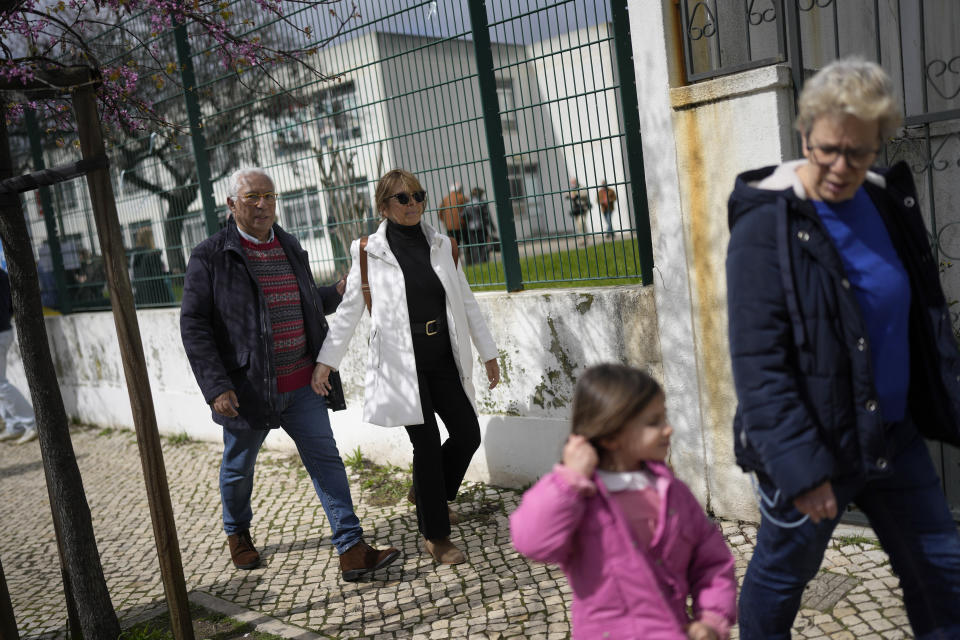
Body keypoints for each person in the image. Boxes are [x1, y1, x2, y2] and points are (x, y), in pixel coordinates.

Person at [726, 58, 960, 638]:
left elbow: (920, 317)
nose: (839, 167)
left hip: (893, 438)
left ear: (879, 143)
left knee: (944, 574)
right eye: (827, 148)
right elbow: (759, 366)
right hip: (812, 447)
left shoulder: (885, 204)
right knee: (784, 579)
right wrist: (803, 473)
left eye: (858, 153)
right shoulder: (767, 224)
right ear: (805, 133)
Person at [180, 167, 399, 581]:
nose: (263, 205)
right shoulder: (210, 255)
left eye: (269, 196)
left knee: (326, 461)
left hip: (301, 384)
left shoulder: (289, 244)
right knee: (239, 467)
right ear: (231, 204)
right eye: (252, 198)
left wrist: (336, 292)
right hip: (247, 390)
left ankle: (351, 547)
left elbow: (302, 303)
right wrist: (216, 386)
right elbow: (194, 326)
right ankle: (237, 531)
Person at [312, 168, 501, 565]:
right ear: (384, 206)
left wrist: (488, 352)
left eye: (418, 195)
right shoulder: (368, 251)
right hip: (402, 364)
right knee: (427, 446)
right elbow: (348, 313)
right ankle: (436, 535)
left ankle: (426, 493)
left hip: (444, 357)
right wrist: (326, 362)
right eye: (402, 198)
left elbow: (465, 302)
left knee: (467, 434)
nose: (413, 203)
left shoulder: (442, 245)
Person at [510, 364, 736, 639]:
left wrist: (712, 618)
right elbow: (532, 542)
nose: (668, 429)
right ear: (611, 435)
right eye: (654, 422)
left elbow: (712, 562)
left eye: (664, 418)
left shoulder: (673, 493)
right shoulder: (578, 498)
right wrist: (567, 482)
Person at [0, 268, 38, 445]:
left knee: (0, 384)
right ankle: (14, 425)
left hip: (0, 331)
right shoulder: (2, 274)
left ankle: (31, 422)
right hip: (4, 329)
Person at [131, 227, 174, 306]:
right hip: (157, 296)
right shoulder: (152, 255)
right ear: (150, 238)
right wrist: (171, 273)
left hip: (142, 297)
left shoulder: (135, 255)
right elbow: (158, 275)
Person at [463, 187, 491, 264]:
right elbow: (486, 215)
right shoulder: (482, 203)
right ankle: (483, 260)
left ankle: (476, 261)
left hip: (471, 227)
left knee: (474, 245)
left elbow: (463, 215)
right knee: (483, 244)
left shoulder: (468, 204)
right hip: (481, 227)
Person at [438, 182, 467, 248]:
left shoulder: (445, 199)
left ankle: (455, 258)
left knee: (453, 245)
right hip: (462, 224)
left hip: (449, 226)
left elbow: (440, 213)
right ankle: (469, 257)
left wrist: (445, 222)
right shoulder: (463, 198)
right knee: (467, 243)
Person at [565, 177, 590, 245]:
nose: (572, 184)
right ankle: (583, 238)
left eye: (573, 182)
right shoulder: (572, 189)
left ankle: (585, 237)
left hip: (583, 208)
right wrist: (570, 195)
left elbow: (584, 193)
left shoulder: (581, 187)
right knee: (579, 225)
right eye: (571, 182)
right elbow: (566, 194)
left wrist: (576, 195)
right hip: (576, 209)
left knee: (581, 222)